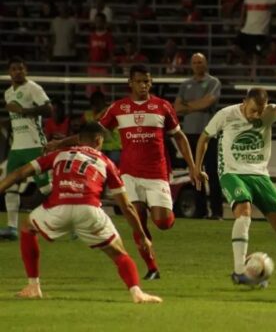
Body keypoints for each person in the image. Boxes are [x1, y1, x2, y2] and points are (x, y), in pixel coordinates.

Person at [47, 64, 197, 280]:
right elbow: (92, 133)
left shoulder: (162, 106)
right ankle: (152, 268)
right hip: (129, 173)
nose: (143, 85)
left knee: (163, 222)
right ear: (130, 83)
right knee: (137, 220)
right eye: (139, 81)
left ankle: (165, 218)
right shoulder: (118, 108)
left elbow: (179, 136)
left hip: (157, 173)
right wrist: (60, 144)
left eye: (147, 81)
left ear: (151, 82)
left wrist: (193, 167)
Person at [1, 122, 161, 303]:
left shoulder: (59, 154)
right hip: (89, 210)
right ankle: (136, 293)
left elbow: (19, 173)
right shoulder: (105, 161)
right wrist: (141, 236)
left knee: (27, 227)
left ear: (79, 139)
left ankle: (33, 286)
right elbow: (127, 206)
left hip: (57, 209)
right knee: (119, 253)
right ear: (98, 140)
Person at [193, 87, 276, 290]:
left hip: (260, 175)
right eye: (254, 110)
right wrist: (197, 167)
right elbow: (204, 138)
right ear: (244, 101)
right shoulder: (226, 115)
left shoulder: (270, 112)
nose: (257, 115)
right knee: (244, 212)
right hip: (232, 173)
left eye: (260, 111)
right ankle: (239, 271)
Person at [0, 57, 52, 240]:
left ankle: (70, 223)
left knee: (46, 188)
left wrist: (24, 111)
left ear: (26, 70)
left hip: (35, 145)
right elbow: (16, 120)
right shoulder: (8, 93)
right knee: (10, 186)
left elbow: (49, 110)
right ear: (9, 72)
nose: (18, 72)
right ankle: (11, 228)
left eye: (21, 68)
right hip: (17, 148)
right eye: (14, 69)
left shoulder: (33, 88)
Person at [174, 53, 223, 220]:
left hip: (208, 134)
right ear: (191, 65)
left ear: (206, 63)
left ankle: (216, 212)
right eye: (194, 62)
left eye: (200, 62)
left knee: (212, 172)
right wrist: (197, 105)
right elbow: (176, 108)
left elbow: (208, 102)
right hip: (189, 134)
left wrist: (188, 106)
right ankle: (200, 211)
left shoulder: (213, 82)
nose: (197, 65)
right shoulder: (185, 84)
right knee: (195, 173)